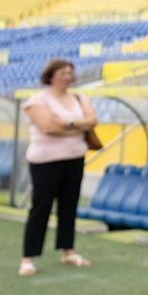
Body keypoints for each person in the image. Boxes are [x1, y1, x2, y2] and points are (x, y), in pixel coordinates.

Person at [18, 58, 98, 277]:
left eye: (70, 73)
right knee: (41, 208)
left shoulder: (80, 98)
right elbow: (47, 126)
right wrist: (76, 124)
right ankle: (28, 257)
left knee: (69, 206)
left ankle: (68, 251)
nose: (67, 77)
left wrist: (65, 123)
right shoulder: (38, 100)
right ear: (51, 75)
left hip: (74, 158)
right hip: (45, 161)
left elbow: (92, 121)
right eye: (62, 73)